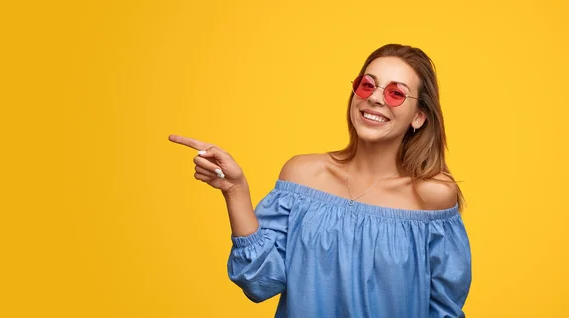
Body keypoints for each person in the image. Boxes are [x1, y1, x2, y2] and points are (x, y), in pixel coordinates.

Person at [169, 43, 472, 318]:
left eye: (395, 93)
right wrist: (235, 190)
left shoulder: (432, 195)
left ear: (418, 116)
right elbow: (259, 283)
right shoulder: (302, 175)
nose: (376, 98)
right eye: (367, 85)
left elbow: (444, 309)